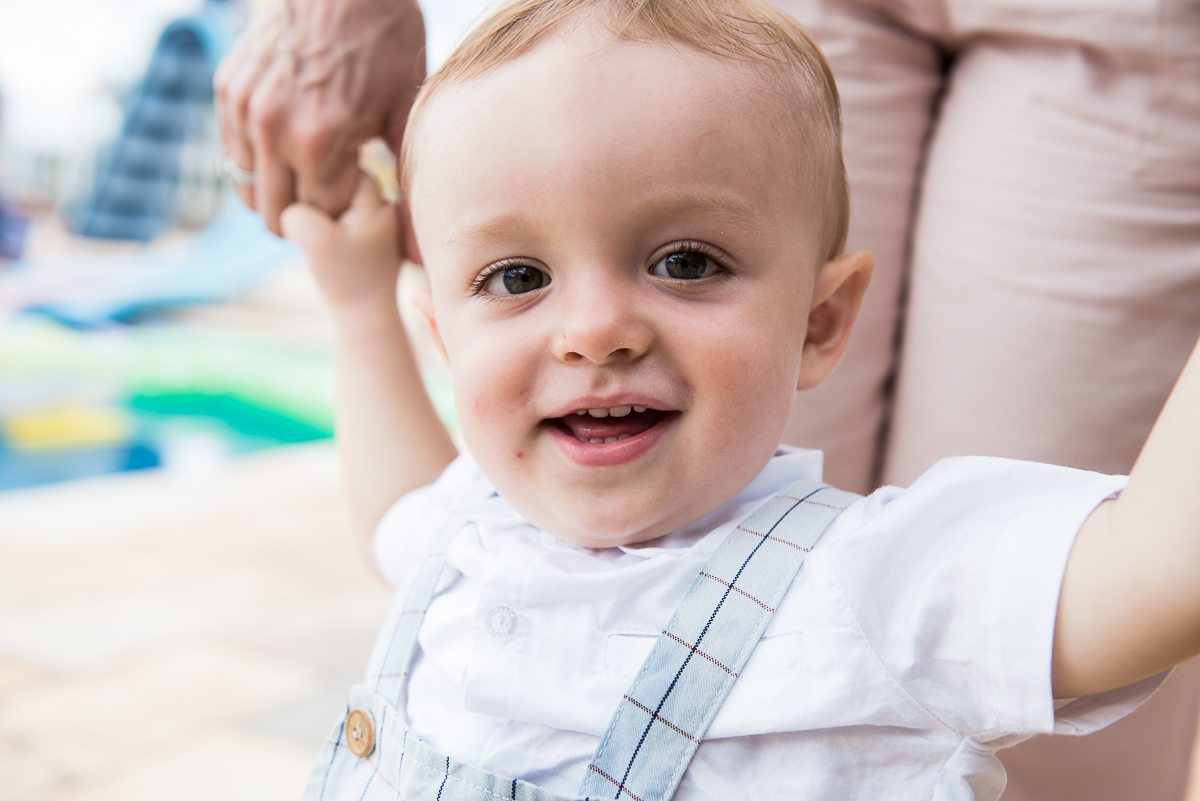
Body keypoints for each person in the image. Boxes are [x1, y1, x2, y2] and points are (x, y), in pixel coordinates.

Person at [274, 1, 1200, 798]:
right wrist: (359, 308)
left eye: (685, 262)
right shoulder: (470, 532)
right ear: (445, 339)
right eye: (518, 277)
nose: (594, 330)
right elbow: (396, 511)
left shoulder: (872, 587)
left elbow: (1154, 574)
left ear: (819, 323)